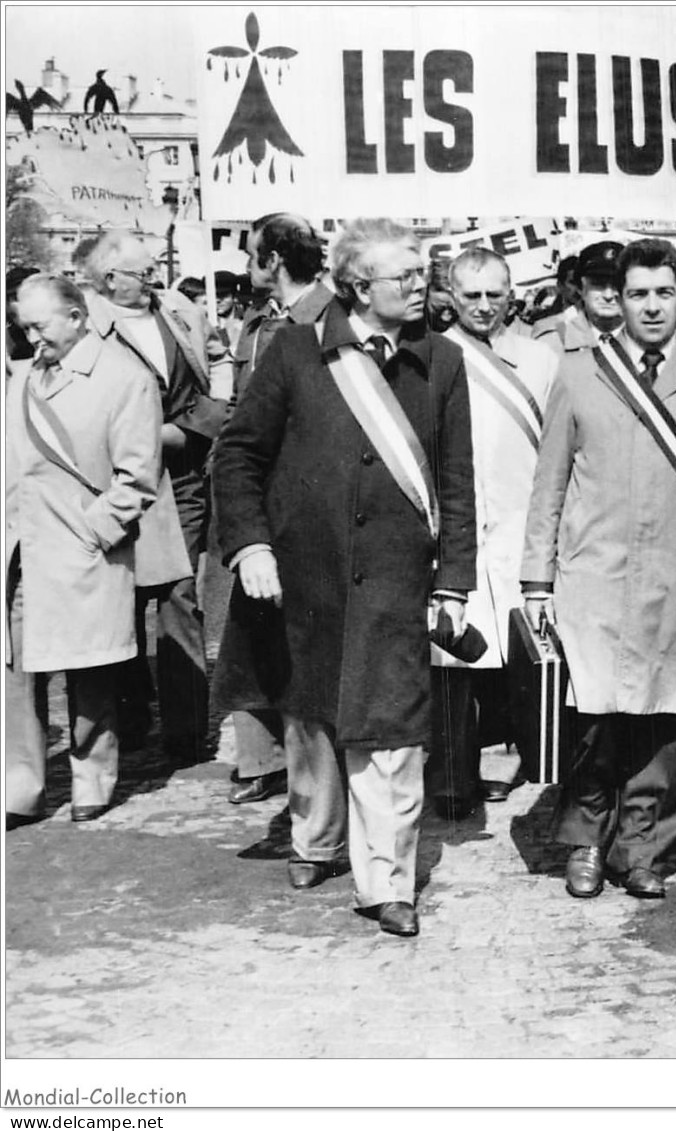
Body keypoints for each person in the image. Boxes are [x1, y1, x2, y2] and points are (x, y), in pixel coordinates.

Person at [213, 218, 477, 938]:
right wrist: (250, 546)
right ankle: (317, 839)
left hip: (396, 578)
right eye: (407, 277)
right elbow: (237, 456)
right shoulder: (297, 352)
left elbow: (456, 481)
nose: (423, 287)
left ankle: (387, 883)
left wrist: (453, 580)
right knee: (312, 719)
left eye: (424, 274)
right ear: (361, 286)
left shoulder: (443, 360)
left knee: (391, 731)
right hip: (305, 574)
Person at [522, 238, 676, 900]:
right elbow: (548, 482)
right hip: (595, 574)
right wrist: (537, 578)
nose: (649, 306)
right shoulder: (580, 372)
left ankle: (642, 844)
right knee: (593, 715)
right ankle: (585, 838)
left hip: (675, 576)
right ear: (618, 299)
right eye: (636, 293)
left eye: (663, 293)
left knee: (663, 719)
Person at [4, 276, 164, 828]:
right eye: (23, 326)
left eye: (39, 325)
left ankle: (92, 780)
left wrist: (96, 530)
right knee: (16, 672)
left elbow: (139, 474)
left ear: (75, 318)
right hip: (21, 549)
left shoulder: (125, 377)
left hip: (81, 548)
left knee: (89, 669)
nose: (31, 337)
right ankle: (19, 789)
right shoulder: (19, 377)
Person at [83, 231, 230, 767]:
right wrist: (143, 437)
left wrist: (210, 412)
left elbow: (218, 357)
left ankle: (187, 731)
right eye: (143, 272)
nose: (154, 279)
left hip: (183, 476)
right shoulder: (88, 327)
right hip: (116, 479)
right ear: (109, 280)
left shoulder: (176, 309)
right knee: (120, 599)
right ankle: (132, 716)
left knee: (180, 596)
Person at [431, 248, 559, 817]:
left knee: (517, 646)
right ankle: (453, 773)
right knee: (451, 653)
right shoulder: (433, 356)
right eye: (471, 295)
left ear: (513, 294)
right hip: (456, 520)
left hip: (520, 520)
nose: (483, 306)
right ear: (450, 297)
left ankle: (514, 757)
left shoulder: (541, 359)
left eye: (494, 294)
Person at [218, 211, 335, 806]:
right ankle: (263, 763)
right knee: (259, 639)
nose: (245, 266)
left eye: (252, 255)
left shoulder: (329, 321)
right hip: (259, 506)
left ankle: (309, 790)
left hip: (308, 511)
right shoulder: (259, 324)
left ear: (275, 260)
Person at [532, 241, 624, 358]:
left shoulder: (649, 336)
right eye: (598, 284)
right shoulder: (551, 339)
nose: (608, 295)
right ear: (580, 288)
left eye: (618, 284)